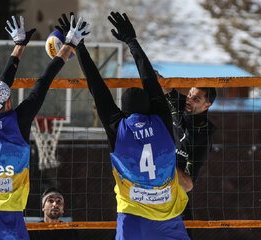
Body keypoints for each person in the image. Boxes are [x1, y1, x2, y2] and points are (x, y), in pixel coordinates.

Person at [56, 12, 189, 239]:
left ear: (124, 112)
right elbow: (149, 79)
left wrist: (80, 48)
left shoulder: (119, 129)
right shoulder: (161, 121)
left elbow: (97, 88)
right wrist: (131, 41)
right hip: (168, 216)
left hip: (133, 217)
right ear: (149, 107)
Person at [0, 15, 90, 240]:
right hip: (8, 213)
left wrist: (19, 46)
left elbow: (3, 84)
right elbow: (43, 81)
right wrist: (68, 45)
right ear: (9, 102)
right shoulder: (18, 121)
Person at [162, 77, 216, 239]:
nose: (189, 99)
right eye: (190, 94)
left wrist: (163, 162)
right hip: (150, 195)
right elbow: (163, 85)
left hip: (176, 201)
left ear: (206, 106)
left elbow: (187, 185)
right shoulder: (181, 104)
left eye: (196, 98)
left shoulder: (203, 138)